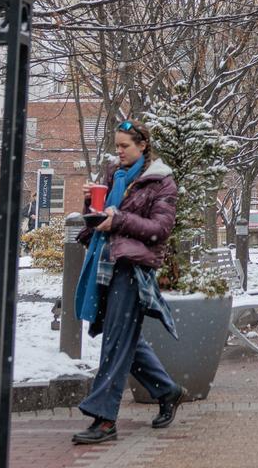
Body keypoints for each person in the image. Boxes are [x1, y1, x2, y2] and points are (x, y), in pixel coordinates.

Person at [70, 120, 184, 445]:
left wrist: (118, 220)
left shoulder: (161, 182)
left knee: (117, 341)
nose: (118, 151)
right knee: (122, 337)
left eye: (125, 146)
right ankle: (167, 389)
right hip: (105, 264)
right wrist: (91, 205)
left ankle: (104, 419)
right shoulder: (113, 175)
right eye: (117, 145)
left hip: (133, 269)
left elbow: (160, 229)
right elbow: (102, 217)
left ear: (142, 146)